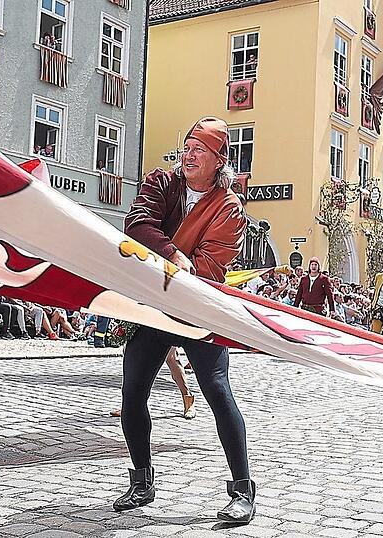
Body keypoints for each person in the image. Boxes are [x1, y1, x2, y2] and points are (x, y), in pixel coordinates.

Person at [116, 117, 255, 523]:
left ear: (218, 160)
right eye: (187, 146)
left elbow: (209, 270)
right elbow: (137, 225)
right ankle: (142, 480)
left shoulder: (229, 207)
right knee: (132, 394)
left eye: (199, 149)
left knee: (215, 389)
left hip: (198, 308)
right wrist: (175, 256)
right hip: (154, 305)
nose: (189, 155)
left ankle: (242, 489)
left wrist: (173, 259)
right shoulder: (162, 181)